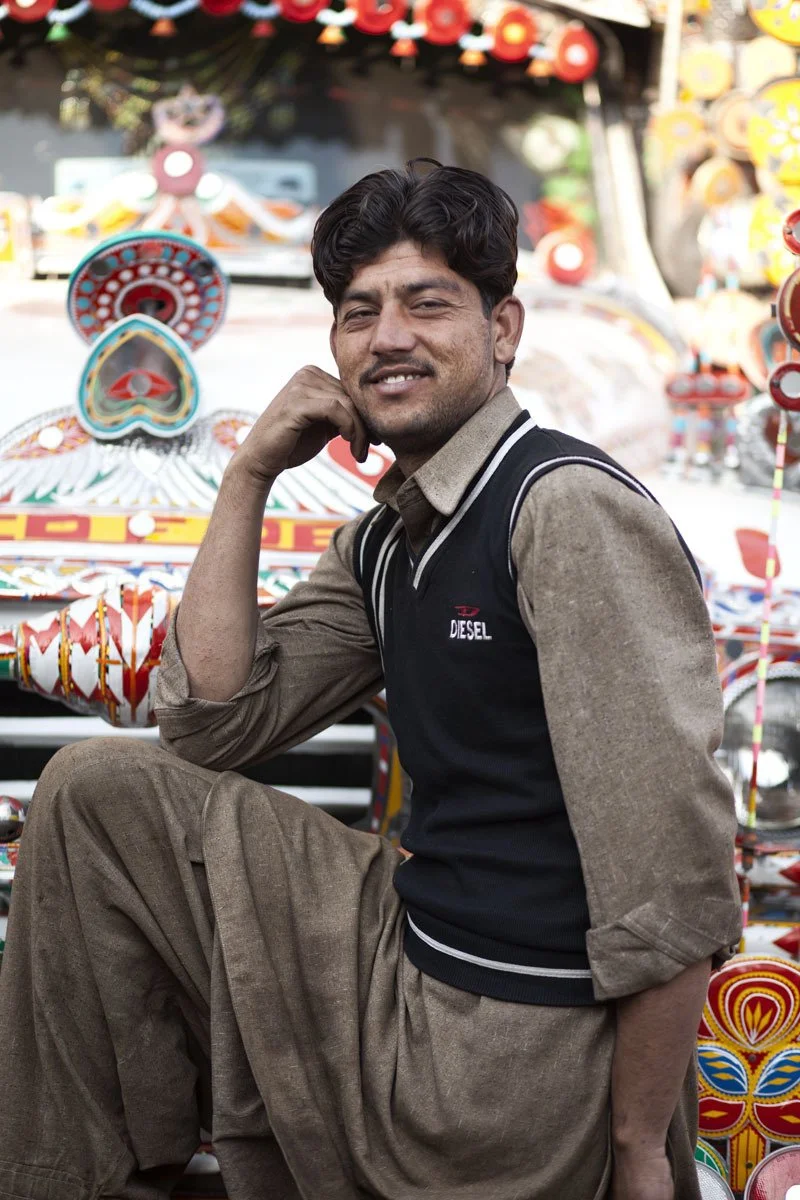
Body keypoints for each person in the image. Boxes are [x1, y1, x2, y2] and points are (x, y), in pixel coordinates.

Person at [0, 161, 741, 1200]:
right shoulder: (391, 537)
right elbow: (209, 723)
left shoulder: (561, 507)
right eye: (360, 313)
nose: (388, 336)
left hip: (522, 1057)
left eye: (426, 303)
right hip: (415, 966)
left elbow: (672, 872)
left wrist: (636, 1150)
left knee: (102, 792)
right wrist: (249, 473)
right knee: (98, 793)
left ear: (503, 329)